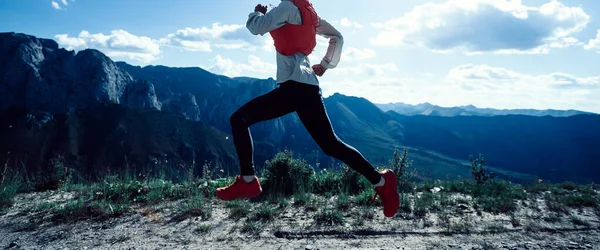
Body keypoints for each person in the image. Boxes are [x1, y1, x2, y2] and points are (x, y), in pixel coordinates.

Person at [215, 0, 400, 217]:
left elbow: (256, 27)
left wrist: (255, 13)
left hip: (293, 88)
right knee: (331, 145)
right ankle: (381, 180)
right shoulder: (310, 15)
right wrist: (326, 64)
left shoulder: (286, 8)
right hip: (307, 87)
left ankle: (248, 181)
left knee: (239, 120)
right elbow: (337, 37)